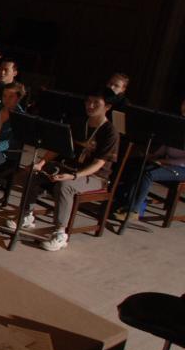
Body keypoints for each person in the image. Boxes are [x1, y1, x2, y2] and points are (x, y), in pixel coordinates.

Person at [8, 86, 121, 252]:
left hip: (94, 176)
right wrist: (41, 163)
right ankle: (27, 214)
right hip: (68, 167)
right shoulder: (78, 122)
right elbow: (57, 148)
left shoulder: (110, 132)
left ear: (108, 107)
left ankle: (60, 233)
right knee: (33, 173)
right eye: (88, 101)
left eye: (96, 103)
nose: (90, 106)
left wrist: (74, 176)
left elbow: (98, 164)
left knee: (65, 186)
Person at [114, 97, 185, 218]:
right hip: (169, 162)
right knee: (135, 164)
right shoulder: (178, 122)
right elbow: (166, 145)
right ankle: (123, 202)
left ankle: (134, 210)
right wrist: (152, 156)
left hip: (181, 168)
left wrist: (163, 161)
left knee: (148, 174)